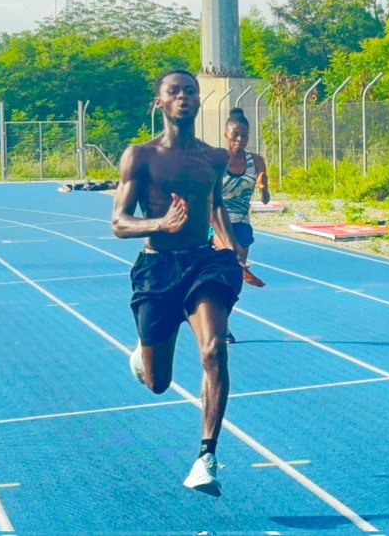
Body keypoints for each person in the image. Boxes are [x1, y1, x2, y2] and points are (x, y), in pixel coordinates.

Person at [111, 69, 248, 497]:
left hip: (204, 263)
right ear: (160, 102)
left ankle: (205, 458)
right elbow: (118, 223)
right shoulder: (140, 155)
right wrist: (160, 223)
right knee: (158, 382)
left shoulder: (213, 158)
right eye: (175, 91)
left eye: (191, 91)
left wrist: (233, 254)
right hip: (157, 267)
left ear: (198, 100)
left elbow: (217, 207)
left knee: (213, 349)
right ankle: (143, 354)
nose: (184, 97)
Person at [211, 107, 270, 343]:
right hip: (216, 220)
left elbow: (265, 199)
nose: (239, 140)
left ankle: (223, 324)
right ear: (226, 134)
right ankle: (216, 323)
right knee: (229, 261)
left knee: (232, 281)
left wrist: (264, 187)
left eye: (244, 136)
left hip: (242, 223)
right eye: (235, 135)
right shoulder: (216, 161)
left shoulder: (255, 161)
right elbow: (209, 198)